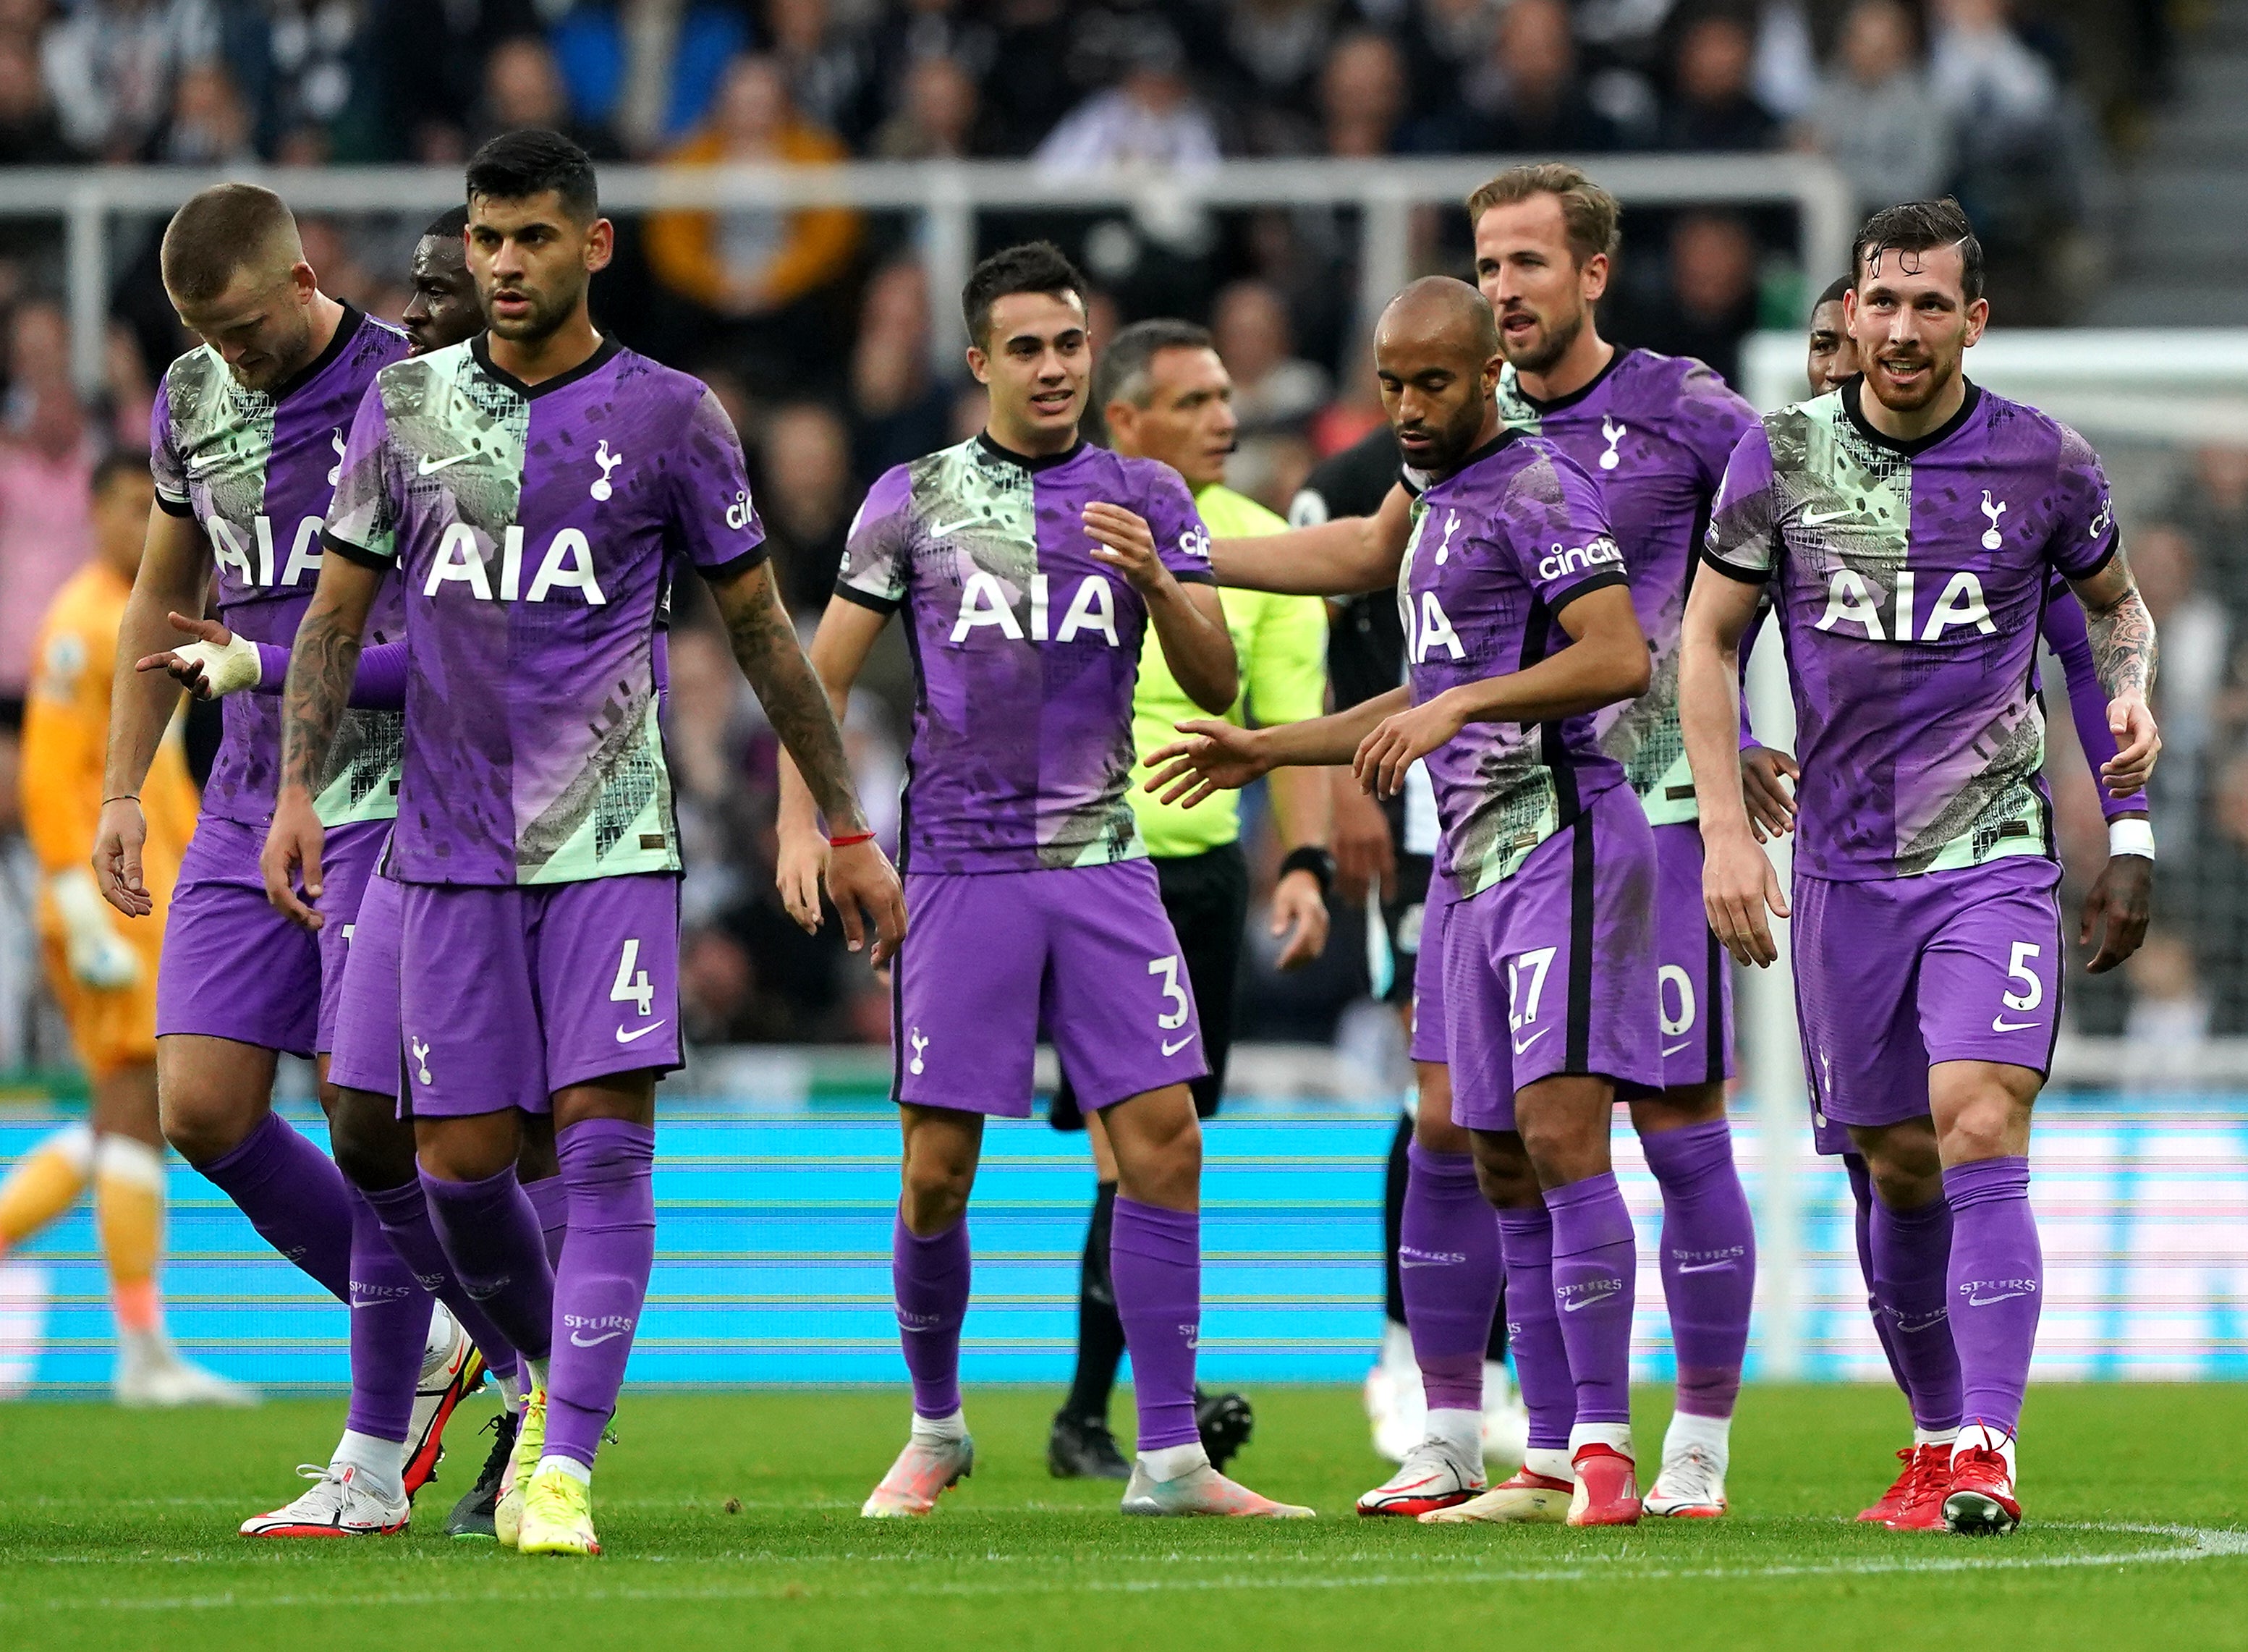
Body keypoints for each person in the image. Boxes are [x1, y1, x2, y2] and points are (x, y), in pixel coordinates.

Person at [262, 128, 902, 1560]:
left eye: (532, 238)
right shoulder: (407, 408)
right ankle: (550, 1371)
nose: (502, 264)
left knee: (606, 1149)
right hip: (444, 849)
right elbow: (331, 619)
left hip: (609, 836)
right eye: (486, 239)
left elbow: (758, 628)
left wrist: (843, 815)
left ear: (593, 245)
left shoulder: (673, 416)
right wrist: (299, 789)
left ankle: (565, 1464)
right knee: (460, 1168)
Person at [774, 241, 1310, 1522]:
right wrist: (813, 825)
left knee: (1166, 1146)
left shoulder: (1143, 492)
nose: (1056, 367)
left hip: (1105, 867)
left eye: (1071, 343)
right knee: (936, 1171)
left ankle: (1171, 1457)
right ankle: (938, 1429)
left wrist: (1155, 581)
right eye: (1028, 348)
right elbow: (817, 672)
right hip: (960, 873)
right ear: (979, 363)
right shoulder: (913, 498)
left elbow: (1219, 680)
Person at [1683, 198, 2161, 1536]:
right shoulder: (1778, 463)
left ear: (1973, 319)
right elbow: (1706, 641)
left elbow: (2115, 616)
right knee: (1896, 1164)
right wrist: (1726, 822)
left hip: (1989, 856)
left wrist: (2130, 713)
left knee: (1979, 1119)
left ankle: (1991, 1450)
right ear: (1856, 307)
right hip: (1839, 871)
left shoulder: (2044, 466)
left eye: (1929, 306)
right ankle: (1935, 1436)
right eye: (1880, 304)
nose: (1900, 330)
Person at [1153, 276, 1661, 1528]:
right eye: (1392, 384)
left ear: (1490, 371)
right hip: (1474, 865)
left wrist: (1462, 706)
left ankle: (1596, 1447)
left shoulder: (1541, 489)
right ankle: (1475, 1446)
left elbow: (1618, 654)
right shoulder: (1430, 492)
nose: (1410, 406)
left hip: (1564, 841)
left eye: (1433, 381)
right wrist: (1267, 745)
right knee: (1472, 1145)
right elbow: (1379, 593)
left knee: (1556, 1138)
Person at [138, 206, 549, 1543]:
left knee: (361, 1111)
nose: (229, 357)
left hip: (388, 796)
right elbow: (163, 592)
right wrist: (113, 786)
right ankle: (438, 1331)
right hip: (245, 790)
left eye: (245, 329)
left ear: (303, 283)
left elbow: (459, 634)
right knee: (200, 1108)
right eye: (205, 335)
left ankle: (372, 1464)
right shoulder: (190, 394)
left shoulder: (408, 392)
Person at [1467, 164, 1763, 1521]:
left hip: (1649, 820)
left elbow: (1789, 559)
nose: (1504, 291)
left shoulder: (1689, 409)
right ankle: (1551, 1448)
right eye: (1487, 267)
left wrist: (1741, 732)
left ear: (1591, 274)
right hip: (1500, 832)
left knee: (1680, 1124)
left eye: (1528, 263)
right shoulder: (1467, 429)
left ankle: (1695, 1440)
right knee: (1516, 1144)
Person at [1044, 320, 1333, 1481]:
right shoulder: (1062, 523)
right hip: (1087, 864)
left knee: (1162, 1144)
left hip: (1206, 877)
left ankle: (1097, 1412)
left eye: (1227, 396)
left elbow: (1293, 727)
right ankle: (1120, 1406)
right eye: (1196, 399)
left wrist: (1304, 866)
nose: (1226, 416)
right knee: (1132, 1147)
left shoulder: (1269, 552)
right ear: (1125, 421)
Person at [1290, 421, 1524, 1470]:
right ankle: (1404, 1353)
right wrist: (1346, 790)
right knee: (1435, 1097)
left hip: (1537, 817)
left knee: (1524, 1103)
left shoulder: (1550, 462)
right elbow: (1315, 645)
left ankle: (1505, 1368)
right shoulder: (1348, 483)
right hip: (1414, 818)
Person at [0, 450, 251, 1409]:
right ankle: (143, 1344)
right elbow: (47, 773)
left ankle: (144, 1344)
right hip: (112, 898)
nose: (138, 526)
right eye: (124, 508)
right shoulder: (81, 621)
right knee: (138, 1099)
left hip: (155, 887)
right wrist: (71, 893)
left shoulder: (136, 612)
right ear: (98, 509)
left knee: (122, 1110)